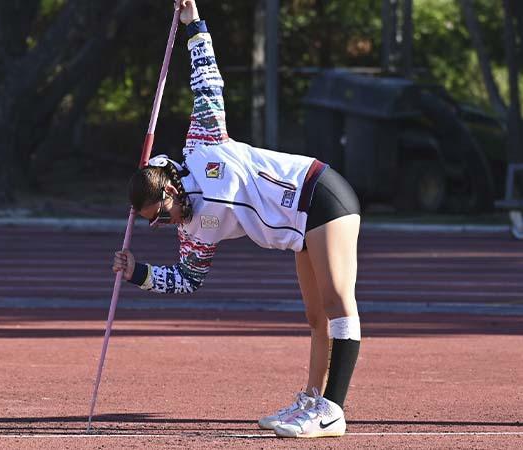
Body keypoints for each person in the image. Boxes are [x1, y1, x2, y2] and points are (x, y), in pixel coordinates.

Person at [112, 0, 361, 439]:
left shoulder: (203, 142)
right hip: (296, 231)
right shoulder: (191, 230)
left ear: (169, 189)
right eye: (154, 223)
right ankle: (311, 399)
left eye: (160, 215)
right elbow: (188, 279)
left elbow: (207, 80)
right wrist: (138, 274)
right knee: (314, 317)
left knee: (338, 301)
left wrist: (193, 24)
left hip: (317, 192)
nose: (163, 225)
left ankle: (333, 410)